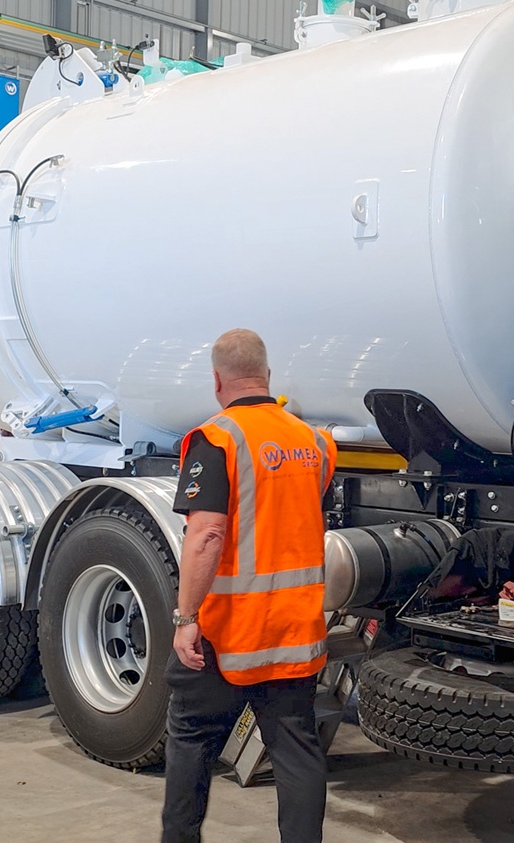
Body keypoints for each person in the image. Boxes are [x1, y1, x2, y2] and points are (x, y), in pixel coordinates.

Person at [161, 328, 337, 843]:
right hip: (294, 629)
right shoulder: (313, 443)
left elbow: (208, 533)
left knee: (191, 740)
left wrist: (186, 618)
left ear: (217, 379)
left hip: (227, 633)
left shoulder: (217, 438)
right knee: (297, 750)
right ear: (268, 375)